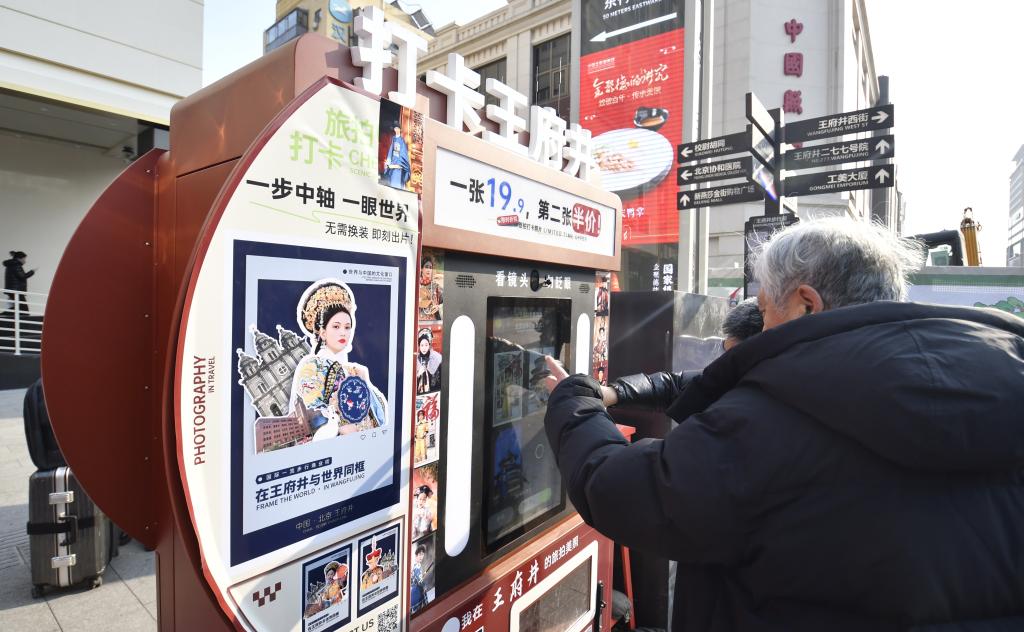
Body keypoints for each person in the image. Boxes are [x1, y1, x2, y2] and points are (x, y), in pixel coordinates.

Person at [543, 218, 1024, 631]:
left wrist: (574, 401)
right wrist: (620, 392)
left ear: (806, 305)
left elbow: (623, 490)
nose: (763, 328)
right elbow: (705, 382)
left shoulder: (772, 422)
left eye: (766, 310)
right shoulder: (994, 379)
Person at [589, 298, 762, 415]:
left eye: (733, 354)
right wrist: (613, 393)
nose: (725, 359)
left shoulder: (760, 403)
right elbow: (674, 386)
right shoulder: (724, 375)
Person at [290, 279, 388, 439]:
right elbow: (311, 418)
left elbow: (376, 416)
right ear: (322, 332)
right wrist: (340, 423)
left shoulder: (354, 370)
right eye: (336, 326)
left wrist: (365, 382)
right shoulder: (312, 367)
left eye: (347, 327)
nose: (343, 332)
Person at [381, 122, 411, 189]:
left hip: (398, 165)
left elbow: (403, 153)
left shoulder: (402, 140)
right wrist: (389, 162)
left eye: (397, 128)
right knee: (391, 183)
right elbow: (390, 151)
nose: (396, 130)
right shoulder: (393, 139)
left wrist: (400, 163)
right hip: (393, 162)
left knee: (397, 183)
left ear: (400, 129)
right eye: (395, 128)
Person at [416, 328, 442, 394]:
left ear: (429, 345)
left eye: (426, 345)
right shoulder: (415, 360)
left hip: (434, 394)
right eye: (422, 345)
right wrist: (418, 374)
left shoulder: (436, 358)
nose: (424, 348)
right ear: (419, 346)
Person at [418, 256, 443, 321]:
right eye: (426, 267)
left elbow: (446, 302)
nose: (428, 270)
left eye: (430, 268)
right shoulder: (415, 286)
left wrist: (438, 307)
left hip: (433, 323)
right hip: (418, 322)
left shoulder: (436, 287)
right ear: (421, 269)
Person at [410, 544, 428, 613]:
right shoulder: (415, 566)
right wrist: (423, 584)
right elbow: (419, 581)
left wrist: (421, 578)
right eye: (420, 554)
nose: (421, 557)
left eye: (422, 554)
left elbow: (418, 579)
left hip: (418, 592)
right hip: (416, 593)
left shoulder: (418, 565)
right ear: (416, 555)